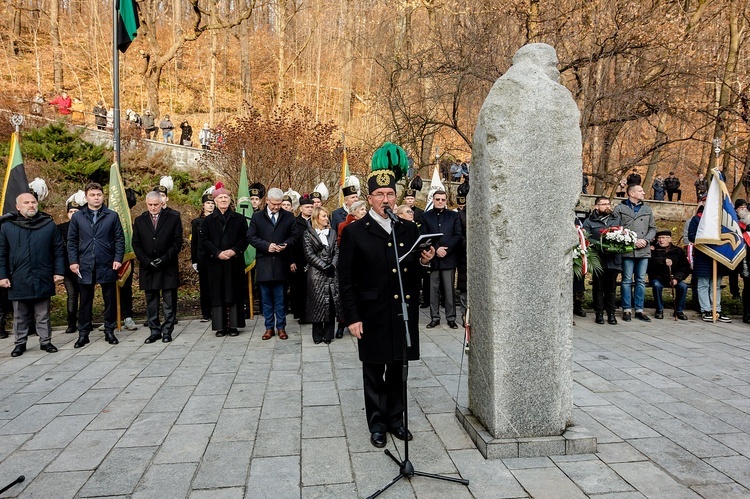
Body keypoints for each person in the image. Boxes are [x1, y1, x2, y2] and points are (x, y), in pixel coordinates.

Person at [338, 146, 436, 448]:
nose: (385, 199)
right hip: (371, 312)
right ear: (370, 199)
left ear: (397, 197)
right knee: (373, 370)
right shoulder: (356, 232)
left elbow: (411, 273)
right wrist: (352, 317)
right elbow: (346, 279)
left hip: (400, 311)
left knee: (398, 368)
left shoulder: (406, 228)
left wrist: (423, 262)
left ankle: (396, 419)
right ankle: (377, 423)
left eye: (390, 194)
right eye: (379, 194)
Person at [0, 193, 65, 357]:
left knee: (43, 313)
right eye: (26, 203)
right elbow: (1, 254)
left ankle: (46, 341)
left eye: (33, 202)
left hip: (42, 275)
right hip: (18, 277)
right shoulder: (7, 227)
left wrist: (59, 272)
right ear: (18, 207)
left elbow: (58, 250)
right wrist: (3, 276)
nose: (31, 205)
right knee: (20, 315)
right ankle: (20, 343)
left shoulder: (48, 225)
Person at [67, 183, 125, 348]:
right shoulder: (78, 217)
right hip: (85, 264)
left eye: (99, 194)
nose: (96, 197)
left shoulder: (112, 216)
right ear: (86, 197)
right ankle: (83, 334)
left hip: (107, 262)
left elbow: (119, 239)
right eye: (92, 195)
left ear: (103, 196)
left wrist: (118, 258)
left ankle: (109, 330)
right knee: (85, 300)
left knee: (109, 300)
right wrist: (73, 261)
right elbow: (72, 241)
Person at [247, 187, 297, 340]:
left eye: (279, 204)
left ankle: (281, 327)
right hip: (265, 263)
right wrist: (266, 246)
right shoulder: (257, 217)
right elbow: (251, 236)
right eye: (273, 204)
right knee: (266, 298)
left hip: (281, 262)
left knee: (281, 298)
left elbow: (295, 236)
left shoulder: (288, 217)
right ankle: (269, 328)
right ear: (267, 201)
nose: (276, 207)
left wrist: (286, 244)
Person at [132, 192, 183, 343]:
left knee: (169, 301)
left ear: (162, 203)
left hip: (167, 267)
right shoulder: (140, 221)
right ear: (146, 203)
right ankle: (154, 331)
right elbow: (136, 244)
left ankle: (167, 331)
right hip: (149, 268)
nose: (153, 208)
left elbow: (177, 242)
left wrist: (164, 259)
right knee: (151, 301)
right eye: (150, 205)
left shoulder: (173, 218)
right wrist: (147, 261)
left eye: (156, 204)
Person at [200, 185, 249, 336]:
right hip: (215, 263)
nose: (223, 200)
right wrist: (217, 253)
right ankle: (220, 327)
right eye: (220, 198)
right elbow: (204, 240)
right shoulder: (207, 221)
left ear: (230, 201)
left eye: (226, 198)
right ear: (215, 201)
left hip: (234, 262)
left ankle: (234, 326)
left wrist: (234, 250)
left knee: (233, 292)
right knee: (218, 294)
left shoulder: (239, 219)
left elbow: (245, 238)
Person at [612, 184, 656, 322]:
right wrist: (632, 241)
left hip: (643, 250)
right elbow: (616, 228)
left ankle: (639, 309)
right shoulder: (620, 208)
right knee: (626, 281)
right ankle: (626, 309)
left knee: (640, 281)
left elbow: (652, 228)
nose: (643, 192)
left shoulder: (647, 209)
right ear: (631, 193)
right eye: (640, 191)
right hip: (627, 250)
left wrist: (646, 240)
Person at [421, 190, 463, 329]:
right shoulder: (426, 216)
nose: (440, 201)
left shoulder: (453, 215)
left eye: (442, 199)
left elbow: (457, 235)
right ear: (433, 200)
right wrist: (436, 248)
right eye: (437, 199)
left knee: (449, 290)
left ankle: (451, 318)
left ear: (446, 201)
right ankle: (435, 317)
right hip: (433, 258)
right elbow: (424, 235)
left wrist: (446, 249)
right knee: (433, 290)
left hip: (448, 258)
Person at [303, 207, 343, 344]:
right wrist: (324, 266)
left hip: (332, 273)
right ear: (316, 218)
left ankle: (328, 335)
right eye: (324, 216)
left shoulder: (332, 233)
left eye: (327, 216)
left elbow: (337, 251)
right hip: (316, 274)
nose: (327, 218)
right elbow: (309, 254)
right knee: (318, 304)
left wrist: (332, 265)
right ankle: (317, 335)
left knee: (331, 304)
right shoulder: (308, 234)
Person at [688, 208, 732, 323]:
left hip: (718, 257)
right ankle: (706, 310)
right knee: (703, 284)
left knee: (716, 285)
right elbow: (691, 236)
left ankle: (717, 310)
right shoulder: (697, 219)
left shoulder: (721, 220)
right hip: (703, 257)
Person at [583, 197, 622, 325]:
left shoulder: (616, 219)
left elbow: (623, 235)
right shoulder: (589, 222)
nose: (607, 206)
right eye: (603, 204)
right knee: (598, 288)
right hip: (598, 259)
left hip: (613, 259)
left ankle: (611, 314)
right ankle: (599, 313)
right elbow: (586, 239)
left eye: (608, 204)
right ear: (596, 206)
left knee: (611, 288)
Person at [648, 230, 690, 320]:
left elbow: (685, 267)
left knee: (683, 286)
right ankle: (659, 310)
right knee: (656, 285)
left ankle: (679, 310)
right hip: (658, 277)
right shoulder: (653, 250)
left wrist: (676, 278)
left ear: (669, 239)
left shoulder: (678, 251)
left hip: (674, 278)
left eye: (663, 238)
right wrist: (663, 261)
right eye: (659, 238)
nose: (661, 240)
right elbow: (650, 263)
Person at [57, 195, 83, 334]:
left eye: (76, 212)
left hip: (84, 266)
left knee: (85, 294)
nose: (73, 214)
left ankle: (86, 320)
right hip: (68, 267)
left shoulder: (85, 226)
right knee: (72, 294)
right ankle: (71, 322)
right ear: (67, 213)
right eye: (71, 211)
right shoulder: (60, 228)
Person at [191, 192, 215, 322]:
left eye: (212, 203)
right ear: (203, 205)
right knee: (204, 286)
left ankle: (216, 310)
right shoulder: (197, 222)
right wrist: (194, 260)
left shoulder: (217, 220)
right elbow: (194, 242)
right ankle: (206, 312)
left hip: (215, 257)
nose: (210, 206)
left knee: (215, 285)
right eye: (208, 203)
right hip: (203, 258)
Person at [290, 195, 314, 323]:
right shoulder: (294, 222)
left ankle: (313, 313)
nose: (310, 209)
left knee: (312, 288)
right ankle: (301, 314)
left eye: (311, 207)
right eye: (307, 207)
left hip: (314, 260)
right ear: (301, 208)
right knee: (299, 288)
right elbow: (291, 243)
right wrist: (292, 260)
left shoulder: (316, 221)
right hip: (299, 259)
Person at [455, 194, 468, 325]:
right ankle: (464, 315)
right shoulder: (460, 215)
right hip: (464, 254)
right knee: (464, 287)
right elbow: (458, 235)